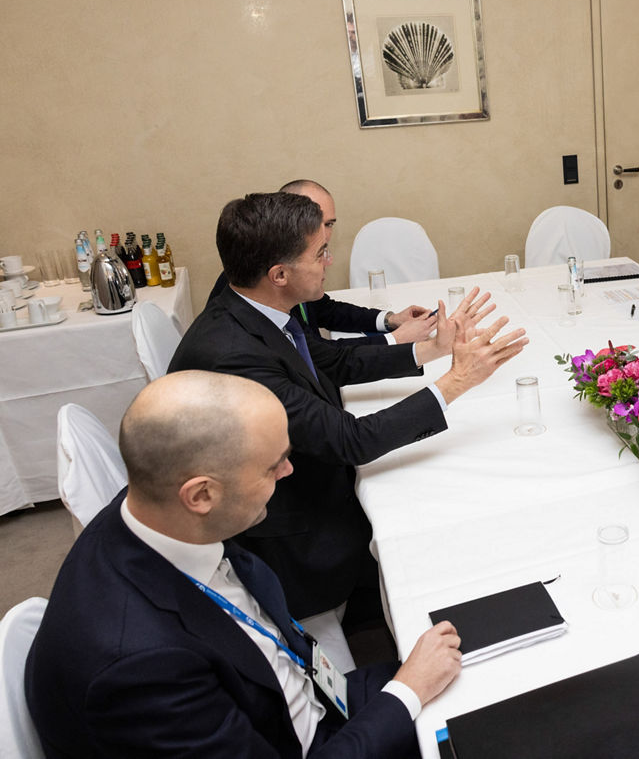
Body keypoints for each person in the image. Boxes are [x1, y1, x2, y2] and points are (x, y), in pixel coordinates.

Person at [25, 370, 461, 757]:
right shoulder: (140, 668)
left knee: (485, 653)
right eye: (273, 467)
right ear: (201, 495)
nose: (289, 471)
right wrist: (407, 691)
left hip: (311, 697)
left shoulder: (153, 511)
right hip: (301, 739)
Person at [169, 192, 526, 632]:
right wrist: (457, 381)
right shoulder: (233, 354)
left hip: (306, 486)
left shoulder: (254, 309)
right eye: (320, 253)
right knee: (450, 525)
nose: (330, 260)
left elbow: (331, 362)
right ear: (279, 274)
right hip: (289, 535)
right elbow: (349, 441)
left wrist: (432, 348)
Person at [207, 179, 436, 346]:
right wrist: (396, 340)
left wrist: (389, 320)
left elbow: (324, 310)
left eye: (329, 224)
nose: (324, 236)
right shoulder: (256, 287)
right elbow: (319, 358)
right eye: (317, 224)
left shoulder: (286, 266)